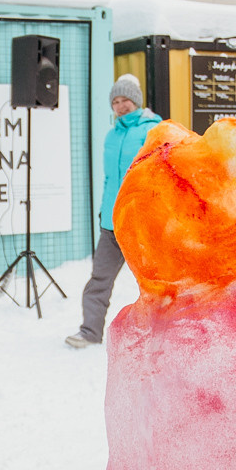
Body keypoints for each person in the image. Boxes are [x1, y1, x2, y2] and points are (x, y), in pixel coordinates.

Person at [67, 74, 163, 349]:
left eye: (126, 100)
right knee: (100, 278)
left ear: (137, 101)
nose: (121, 106)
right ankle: (90, 331)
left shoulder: (154, 131)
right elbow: (110, 179)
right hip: (111, 223)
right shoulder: (112, 135)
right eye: (116, 101)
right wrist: (103, 213)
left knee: (153, 283)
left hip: (141, 222)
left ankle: (160, 333)